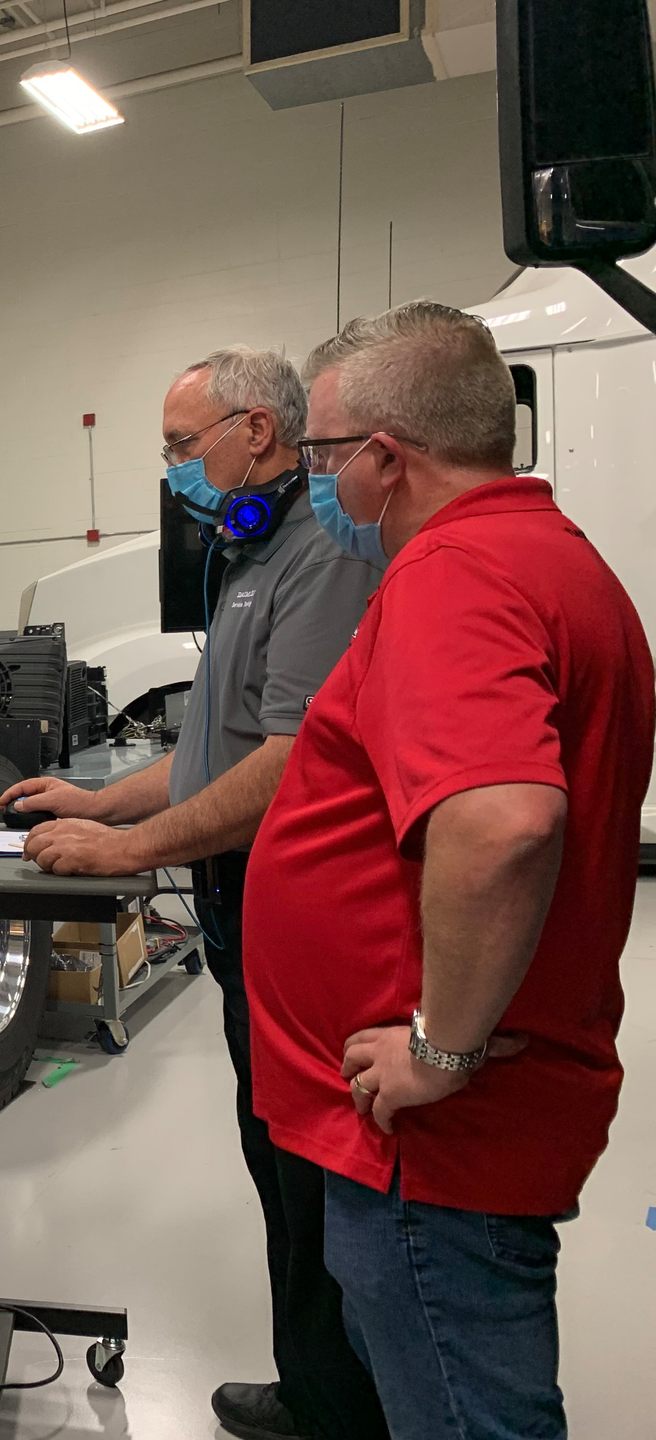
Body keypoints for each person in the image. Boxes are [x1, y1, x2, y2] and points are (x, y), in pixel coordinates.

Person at [241, 303, 654, 1440]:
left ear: (384, 457)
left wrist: (440, 1050)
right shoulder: (548, 559)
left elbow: (505, 823)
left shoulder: (453, 576)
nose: (315, 484)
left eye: (320, 458)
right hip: (455, 1125)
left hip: (431, 1140)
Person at [0, 347, 386, 1440]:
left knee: (311, 1170)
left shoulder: (322, 558)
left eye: (182, 446)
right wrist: (105, 800)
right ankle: (313, 1387)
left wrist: (129, 857)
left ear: (256, 432)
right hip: (232, 901)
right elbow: (216, 749)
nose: (175, 469)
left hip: (288, 897)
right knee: (275, 1151)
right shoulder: (251, 558)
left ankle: (342, 1409)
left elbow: (292, 759)